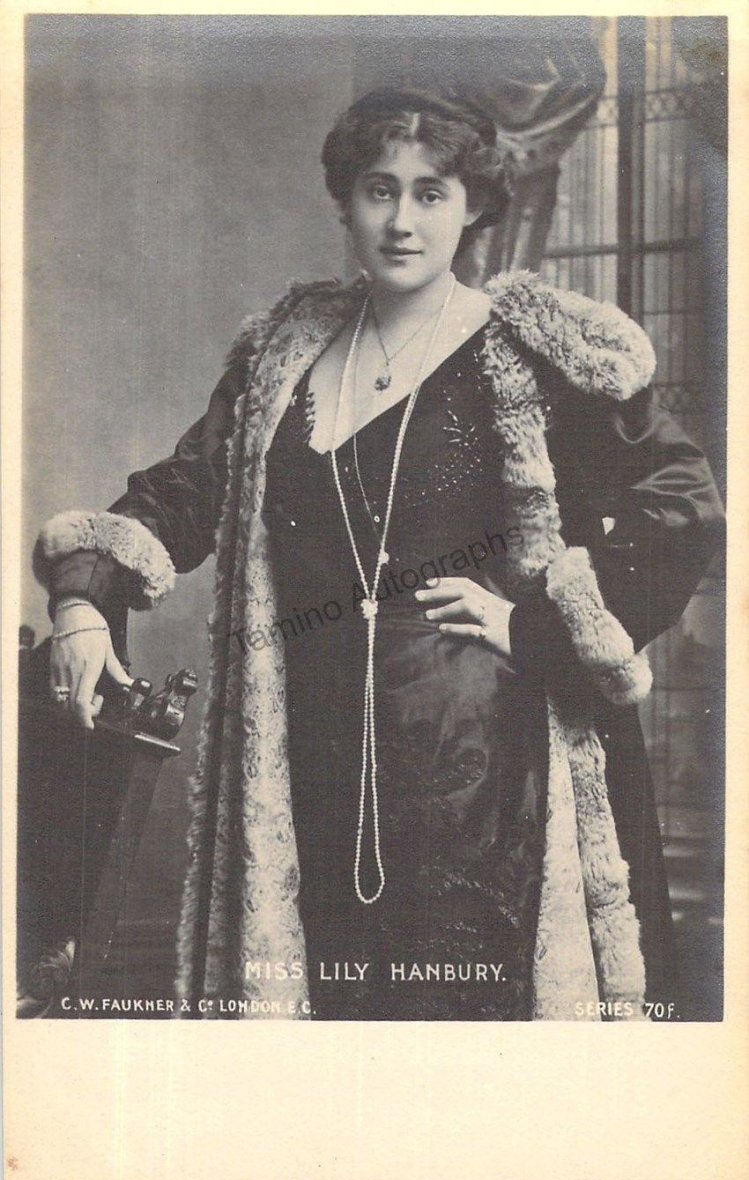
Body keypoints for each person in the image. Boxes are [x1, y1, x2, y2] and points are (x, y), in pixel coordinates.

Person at [34, 87, 725, 1021]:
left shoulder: (536, 351)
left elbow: (680, 505)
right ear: (346, 200)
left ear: (474, 205)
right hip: (307, 755)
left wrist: (536, 629)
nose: (402, 221)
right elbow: (183, 491)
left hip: (488, 763)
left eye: (430, 193)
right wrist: (82, 598)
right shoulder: (281, 355)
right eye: (379, 189)